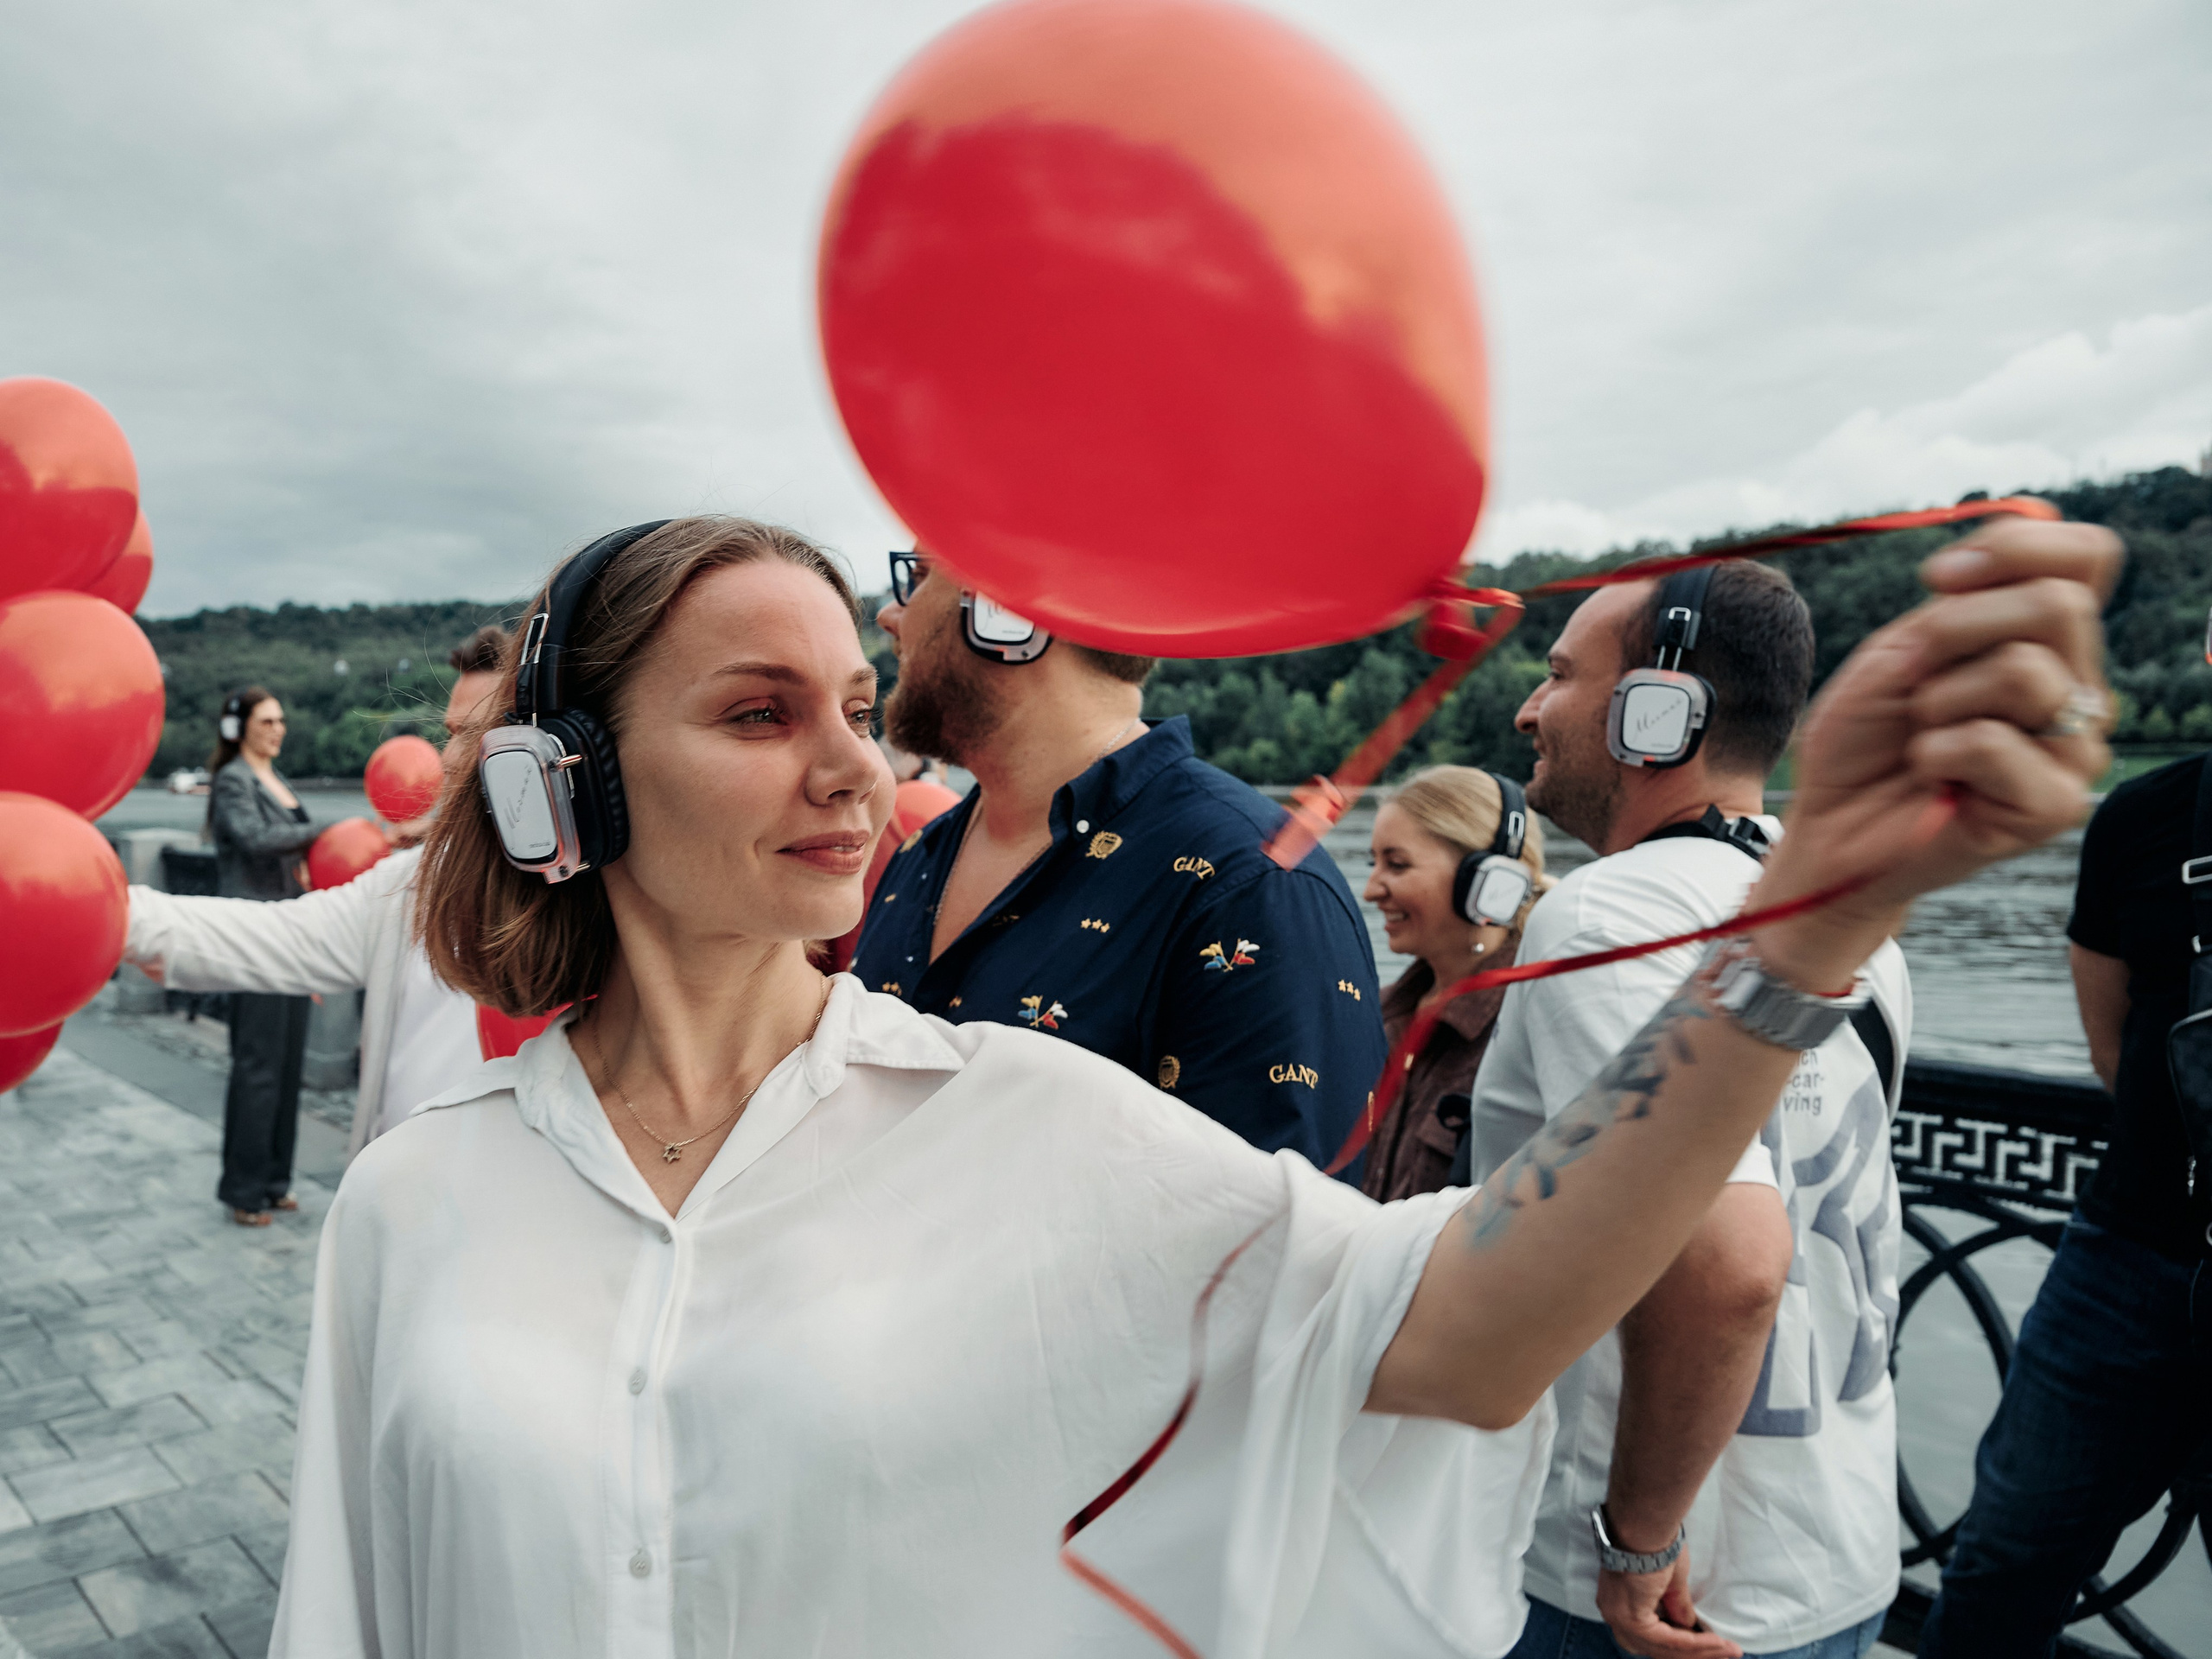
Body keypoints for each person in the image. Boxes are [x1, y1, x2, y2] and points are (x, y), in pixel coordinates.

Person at [267, 511, 2114, 1659]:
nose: (846, 763)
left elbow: (1464, 1330)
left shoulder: (1015, 1122)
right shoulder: (413, 1206)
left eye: (851, 700)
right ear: (559, 790)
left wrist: (1798, 932)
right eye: (758, 715)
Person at [1472, 561, 1916, 1659]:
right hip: (1832, 1549)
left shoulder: (1608, 915)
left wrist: (1632, 1547)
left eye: (1561, 675)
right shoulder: (1838, 914)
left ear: (1654, 712)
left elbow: (1727, 1267)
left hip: (1654, 1597)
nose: (1529, 709)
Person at [853, 549, 1386, 1167]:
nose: (891, 614)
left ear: (1007, 612)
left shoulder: (1253, 887)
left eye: (918, 578)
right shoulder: (922, 852)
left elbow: (1286, 1246)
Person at [1916, 744, 2212, 1656]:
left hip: (2127, 1257)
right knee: (2000, 1568)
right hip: (2125, 1260)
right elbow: (2113, 1045)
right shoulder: (2142, 818)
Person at [130, 628, 511, 1161]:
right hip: (398, 1196)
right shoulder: (410, 886)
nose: (445, 759)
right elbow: (279, 935)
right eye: (448, 732)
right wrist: (110, 912)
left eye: (472, 734)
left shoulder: (610, 904)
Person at [1359, 766, 1551, 1200]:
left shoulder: (1532, 1024)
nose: (1371, 890)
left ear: (1487, 882)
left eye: (1397, 864)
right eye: (1375, 863)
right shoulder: (1378, 1013)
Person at [205, 686, 322, 1225]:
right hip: (254, 938)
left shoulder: (280, 780)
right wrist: (328, 831)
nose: (278, 729)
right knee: (257, 1066)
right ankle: (243, 1190)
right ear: (240, 728)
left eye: (281, 720)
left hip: (292, 935)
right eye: (267, 721)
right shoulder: (233, 781)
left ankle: (276, 1180)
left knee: (288, 1062)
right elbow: (254, 838)